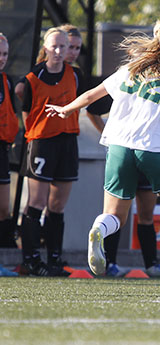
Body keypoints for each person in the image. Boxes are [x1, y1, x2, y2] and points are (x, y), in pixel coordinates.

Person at [46, 18, 160, 294]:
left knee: (114, 215)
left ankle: (98, 229)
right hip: (153, 150)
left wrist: (66, 109)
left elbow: (92, 95)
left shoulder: (132, 67)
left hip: (118, 147)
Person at [18, 27, 85, 276]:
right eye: (54, 46)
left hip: (68, 141)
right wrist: (35, 132)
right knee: (36, 202)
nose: (59, 51)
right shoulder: (33, 78)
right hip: (42, 142)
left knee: (57, 205)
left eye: (63, 46)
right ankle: (31, 259)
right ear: (45, 48)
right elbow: (25, 108)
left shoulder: (75, 75)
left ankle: (54, 258)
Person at [85, 96, 160, 278]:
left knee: (146, 214)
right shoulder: (124, 85)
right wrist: (107, 135)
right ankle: (110, 263)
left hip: (148, 154)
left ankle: (151, 265)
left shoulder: (159, 87)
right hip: (123, 154)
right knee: (115, 214)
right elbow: (92, 109)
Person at [0, 33, 19, 277]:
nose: (2, 58)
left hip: (2, 149)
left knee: (3, 209)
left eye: (4, 53)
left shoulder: (7, 80)